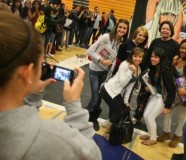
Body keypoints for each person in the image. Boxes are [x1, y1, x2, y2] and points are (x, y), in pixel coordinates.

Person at [0, 11, 101, 160]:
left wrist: (33, 95)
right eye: (41, 64)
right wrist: (74, 107)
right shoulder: (53, 139)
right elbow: (92, 155)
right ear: (27, 72)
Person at [86, 18, 129, 131]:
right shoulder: (106, 37)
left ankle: (93, 119)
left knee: (99, 98)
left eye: (124, 28)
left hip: (105, 73)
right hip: (94, 71)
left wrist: (111, 73)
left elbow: (113, 58)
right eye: (120, 27)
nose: (122, 29)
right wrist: (101, 61)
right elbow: (90, 51)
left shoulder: (120, 41)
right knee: (95, 98)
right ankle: (85, 117)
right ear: (116, 27)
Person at [157, 39, 186, 148]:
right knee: (167, 112)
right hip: (173, 92)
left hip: (185, 94)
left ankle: (177, 136)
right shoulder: (175, 58)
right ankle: (166, 132)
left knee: (181, 116)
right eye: (182, 47)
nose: (183, 50)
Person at [100, 47, 143, 138]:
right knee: (118, 112)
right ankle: (107, 132)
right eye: (135, 56)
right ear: (131, 56)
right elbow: (123, 82)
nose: (137, 59)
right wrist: (130, 71)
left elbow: (130, 86)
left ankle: (109, 124)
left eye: (140, 57)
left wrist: (126, 101)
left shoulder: (138, 69)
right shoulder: (125, 64)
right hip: (108, 90)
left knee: (124, 110)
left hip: (116, 92)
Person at [140, 47, 176, 146]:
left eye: (156, 57)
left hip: (163, 98)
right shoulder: (154, 68)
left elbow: (171, 90)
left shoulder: (165, 71)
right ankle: (150, 134)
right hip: (155, 95)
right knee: (145, 115)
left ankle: (153, 139)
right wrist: (149, 87)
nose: (153, 59)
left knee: (150, 117)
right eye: (152, 56)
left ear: (161, 58)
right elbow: (157, 84)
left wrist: (167, 106)